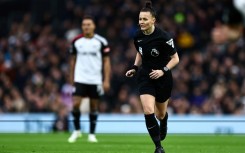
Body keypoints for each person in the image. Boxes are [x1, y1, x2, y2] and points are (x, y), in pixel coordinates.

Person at [125, 1, 179, 153]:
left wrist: (163, 70)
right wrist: (135, 67)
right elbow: (140, 51)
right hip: (146, 77)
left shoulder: (164, 37)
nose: (141, 22)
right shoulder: (137, 36)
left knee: (159, 114)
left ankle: (164, 120)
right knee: (148, 110)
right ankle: (158, 147)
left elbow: (176, 58)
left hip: (163, 78)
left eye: (145, 19)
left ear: (153, 20)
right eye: (140, 19)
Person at [68, 15, 111, 143]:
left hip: (95, 79)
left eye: (88, 24)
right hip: (80, 78)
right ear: (82, 27)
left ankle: (92, 134)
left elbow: (107, 62)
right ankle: (76, 131)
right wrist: (71, 77)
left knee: (93, 107)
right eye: (84, 25)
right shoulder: (76, 41)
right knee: (75, 105)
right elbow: (72, 60)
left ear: (94, 26)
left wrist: (106, 80)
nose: (86, 27)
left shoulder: (101, 42)